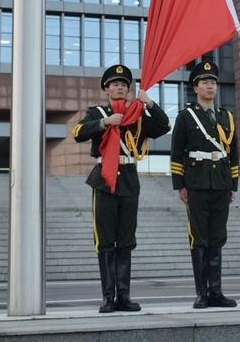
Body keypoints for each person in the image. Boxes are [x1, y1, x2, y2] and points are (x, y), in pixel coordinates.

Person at [72, 64, 170, 313]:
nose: (120, 88)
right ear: (106, 89)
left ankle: (124, 296)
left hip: (127, 179)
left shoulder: (136, 114)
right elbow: (77, 133)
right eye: (115, 84)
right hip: (104, 179)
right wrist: (104, 123)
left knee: (125, 241)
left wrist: (149, 104)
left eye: (124, 85)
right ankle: (108, 297)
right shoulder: (97, 113)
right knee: (105, 241)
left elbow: (164, 126)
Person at [170, 60, 239, 309]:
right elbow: (177, 153)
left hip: (220, 183)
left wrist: (233, 184)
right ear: (195, 88)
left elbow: (233, 153)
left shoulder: (226, 117)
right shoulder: (186, 116)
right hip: (197, 184)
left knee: (217, 237)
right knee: (199, 238)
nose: (210, 86)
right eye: (205, 82)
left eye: (213, 82)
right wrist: (181, 185)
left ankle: (216, 292)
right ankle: (201, 293)